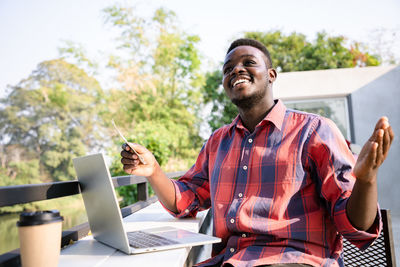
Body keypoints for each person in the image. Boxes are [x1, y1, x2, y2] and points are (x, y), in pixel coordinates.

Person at [120, 38, 394, 267]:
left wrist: (367, 180)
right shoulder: (217, 142)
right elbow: (185, 201)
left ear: (271, 75)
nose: (236, 70)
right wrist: (153, 170)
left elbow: (356, 225)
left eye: (248, 63)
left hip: (295, 260)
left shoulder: (315, 131)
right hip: (230, 260)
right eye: (228, 69)